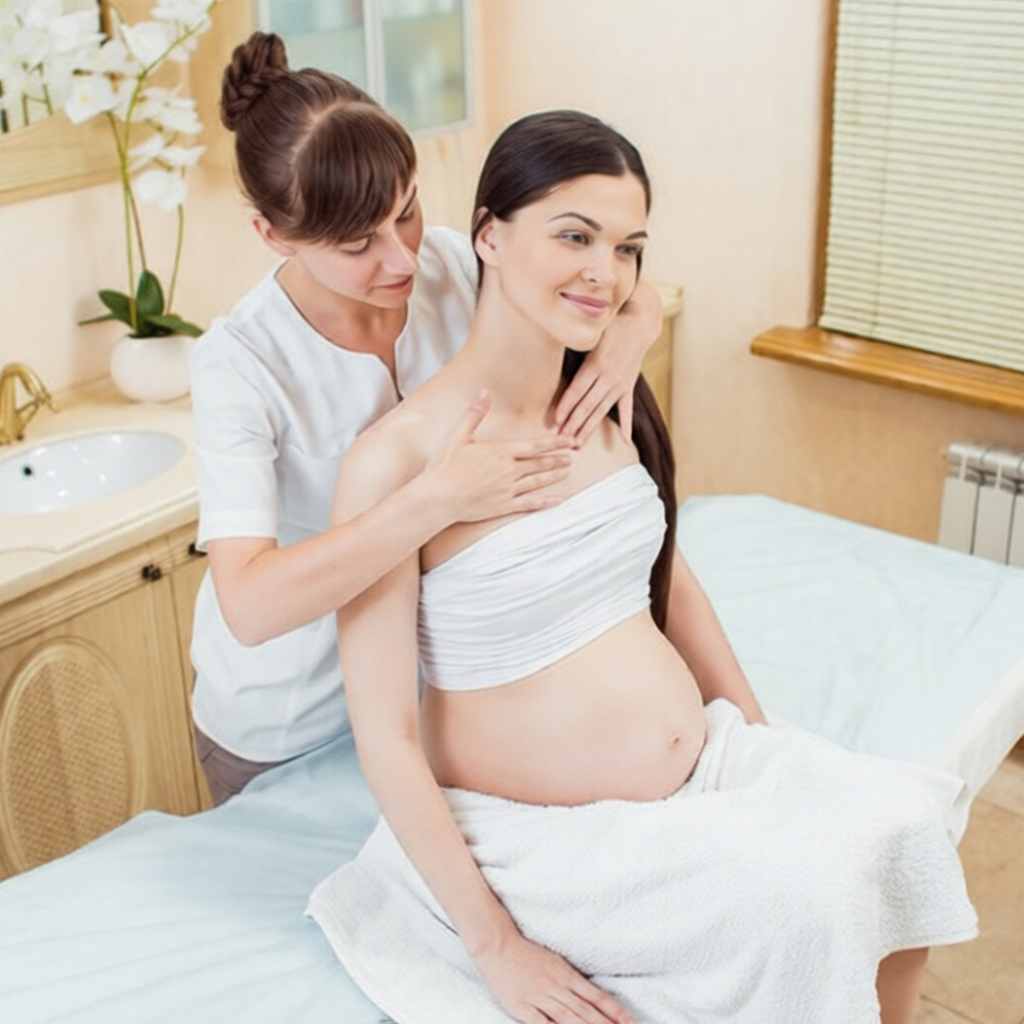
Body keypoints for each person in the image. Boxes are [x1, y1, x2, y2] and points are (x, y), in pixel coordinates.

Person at [307, 110, 977, 1024]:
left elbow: (668, 577)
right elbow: (383, 732)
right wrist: (496, 947)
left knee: (901, 829)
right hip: (548, 840)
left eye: (627, 249)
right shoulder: (397, 461)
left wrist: (755, 733)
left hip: (701, 770)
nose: (604, 272)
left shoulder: (606, 403)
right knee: (803, 910)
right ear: (490, 235)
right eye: (574, 236)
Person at [188, 34, 663, 804]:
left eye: (405, 213)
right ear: (274, 237)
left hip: (426, 693)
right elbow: (249, 604)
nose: (401, 260)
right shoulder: (240, 363)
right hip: (290, 722)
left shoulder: (448, 265)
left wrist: (637, 326)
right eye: (356, 245)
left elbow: (590, 261)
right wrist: (434, 502)